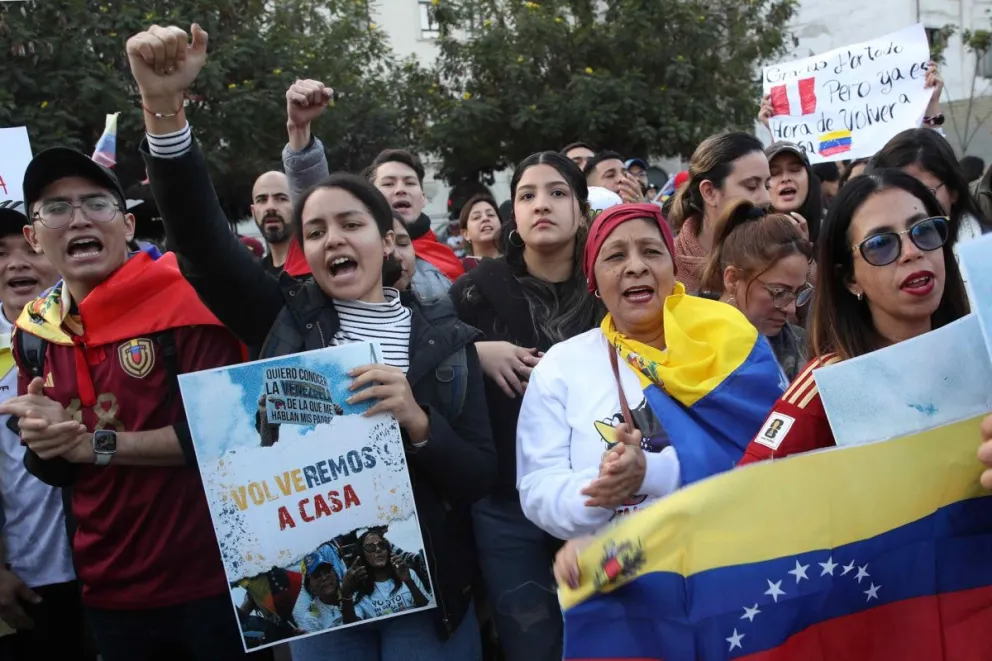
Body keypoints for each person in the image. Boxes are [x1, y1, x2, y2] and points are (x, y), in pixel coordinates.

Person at [129, 23, 495, 661]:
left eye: (351, 223)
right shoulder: (284, 320)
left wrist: (418, 422)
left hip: (430, 595)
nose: (333, 240)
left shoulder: (447, 341)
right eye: (317, 231)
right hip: (320, 604)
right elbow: (202, 244)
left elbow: (479, 476)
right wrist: (164, 111)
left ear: (387, 240)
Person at [1, 145, 249, 661]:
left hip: (214, 583)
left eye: (96, 204)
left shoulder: (188, 302)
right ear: (35, 236)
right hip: (105, 590)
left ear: (128, 225)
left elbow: (224, 436)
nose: (78, 220)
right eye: (56, 209)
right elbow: (56, 470)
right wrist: (43, 440)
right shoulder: (35, 332)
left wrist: (95, 446)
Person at [516, 203, 786, 542]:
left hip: (738, 551)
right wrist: (607, 487)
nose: (636, 266)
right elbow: (538, 488)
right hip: (628, 566)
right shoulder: (561, 367)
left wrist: (654, 471)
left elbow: (780, 449)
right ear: (593, 281)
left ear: (673, 268)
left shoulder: (731, 336)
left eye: (651, 252)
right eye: (615, 256)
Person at [448, 151, 603, 661]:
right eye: (527, 195)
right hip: (505, 502)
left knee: (608, 637)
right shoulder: (474, 292)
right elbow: (427, 360)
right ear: (512, 211)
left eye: (557, 193)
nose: (542, 205)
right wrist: (473, 353)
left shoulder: (610, 282)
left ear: (581, 208)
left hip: (601, 497)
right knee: (531, 642)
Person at [739, 168, 969, 465]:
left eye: (924, 230)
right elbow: (751, 481)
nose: (912, 252)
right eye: (880, 244)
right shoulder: (826, 387)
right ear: (850, 278)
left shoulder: (982, 351)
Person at [0, 202, 91, 661]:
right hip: (30, 583)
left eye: (28, 249)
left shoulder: (105, 332)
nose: (16, 263)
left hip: (115, 571)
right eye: (0, 252)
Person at [281, 79, 464, 294]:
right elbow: (315, 197)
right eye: (388, 183)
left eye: (409, 182)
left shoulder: (448, 261)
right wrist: (299, 129)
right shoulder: (344, 257)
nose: (401, 189)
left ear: (423, 197)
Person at [700, 201, 813, 381]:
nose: (791, 309)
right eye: (779, 292)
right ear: (732, 279)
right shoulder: (687, 341)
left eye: (799, 292)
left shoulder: (803, 346)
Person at [667, 132, 771, 293]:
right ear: (709, 192)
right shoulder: (665, 266)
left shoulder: (776, 253)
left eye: (767, 186)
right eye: (751, 186)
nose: (766, 199)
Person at [870, 128, 991, 246]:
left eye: (925, 193)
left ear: (953, 192)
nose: (912, 206)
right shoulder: (876, 252)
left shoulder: (985, 250)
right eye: (899, 195)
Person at [765, 142, 823, 244]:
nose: (785, 178)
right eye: (774, 173)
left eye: (795, 170)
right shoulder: (748, 239)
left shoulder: (831, 231)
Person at [251, 171, 294, 274]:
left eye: (281, 199)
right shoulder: (254, 276)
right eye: (262, 200)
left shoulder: (318, 270)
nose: (270, 207)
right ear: (253, 212)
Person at [458, 194, 501, 272]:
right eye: (476, 217)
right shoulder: (460, 269)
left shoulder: (517, 262)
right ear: (466, 234)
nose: (485, 218)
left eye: (490, 215)